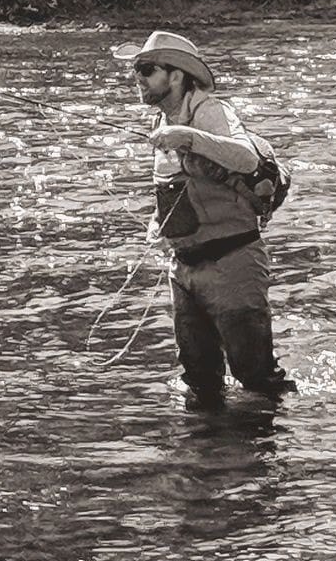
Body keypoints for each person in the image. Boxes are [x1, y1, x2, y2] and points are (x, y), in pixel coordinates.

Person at [111, 30, 292, 410]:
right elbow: (175, 196)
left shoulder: (211, 111)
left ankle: (262, 462)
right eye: (135, 71)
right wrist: (156, 226)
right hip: (185, 270)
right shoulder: (165, 124)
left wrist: (187, 137)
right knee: (199, 380)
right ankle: (204, 459)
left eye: (146, 69)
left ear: (176, 75)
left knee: (257, 378)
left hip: (233, 264)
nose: (137, 79)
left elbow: (245, 159)